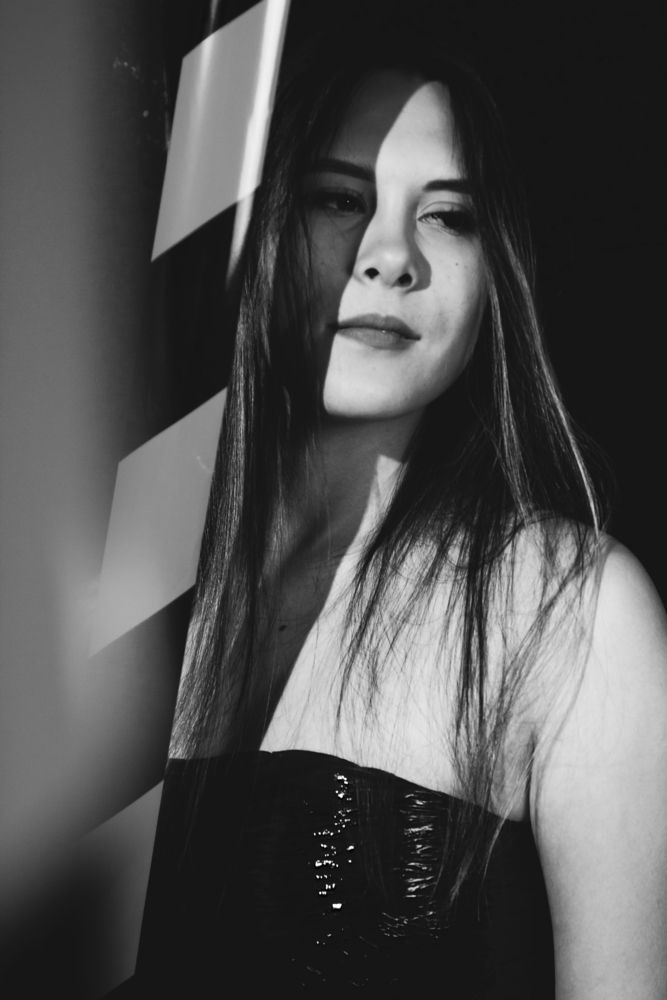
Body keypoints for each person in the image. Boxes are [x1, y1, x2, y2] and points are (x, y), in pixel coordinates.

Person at [130, 28, 667, 998]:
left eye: (447, 215)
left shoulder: (571, 614)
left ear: (497, 273)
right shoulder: (111, 586)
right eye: (338, 198)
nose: (390, 258)